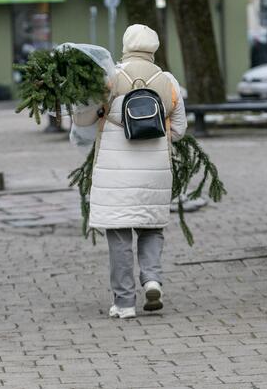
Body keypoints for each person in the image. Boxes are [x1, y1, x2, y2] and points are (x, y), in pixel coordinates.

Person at [73, 24, 187, 319]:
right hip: (154, 172)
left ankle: (124, 303)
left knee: (120, 236)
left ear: (125, 45)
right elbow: (180, 129)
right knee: (151, 228)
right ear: (154, 48)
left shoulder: (109, 79)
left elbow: (83, 119)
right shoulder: (168, 81)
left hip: (115, 174)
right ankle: (152, 280)